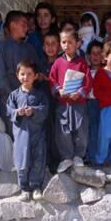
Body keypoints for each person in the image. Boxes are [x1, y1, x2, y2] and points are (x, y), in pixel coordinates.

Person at [49, 29, 93, 173]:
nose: (66, 45)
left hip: (78, 103)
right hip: (63, 103)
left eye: (70, 42)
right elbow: (52, 79)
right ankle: (66, 157)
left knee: (81, 129)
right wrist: (58, 90)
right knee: (63, 130)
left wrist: (79, 93)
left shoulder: (81, 63)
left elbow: (87, 81)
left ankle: (79, 156)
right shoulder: (57, 62)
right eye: (63, 42)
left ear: (77, 44)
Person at [6, 60, 49, 201]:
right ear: (17, 76)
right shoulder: (13, 95)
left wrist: (33, 111)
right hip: (21, 136)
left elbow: (44, 110)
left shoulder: (40, 95)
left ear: (35, 76)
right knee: (21, 161)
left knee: (38, 159)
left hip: (37, 134)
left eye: (29, 74)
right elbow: (8, 111)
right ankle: (24, 188)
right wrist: (18, 112)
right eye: (22, 74)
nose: (26, 77)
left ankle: (36, 186)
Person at [0, 11, 39, 136]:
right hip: (9, 100)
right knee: (12, 135)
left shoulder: (30, 49)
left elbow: (36, 73)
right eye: (23, 24)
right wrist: (13, 96)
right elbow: (0, 76)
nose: (27, 27)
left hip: (28, 100)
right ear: (13, 25)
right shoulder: (1, 46)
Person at [38, 31, 62, 173]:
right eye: (47, 44)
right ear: (43, 47)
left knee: (58, 133)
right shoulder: (39, 63)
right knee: (45, 132)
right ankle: (46, 161)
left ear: (59, 46)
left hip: (58, 103)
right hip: (43, 103)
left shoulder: (62, 63)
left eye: (54, 44)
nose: (50, 47)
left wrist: (51, 80)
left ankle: (58, 161)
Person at [85, 40, 104, 164]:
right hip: (89, 103)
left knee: (102, 130)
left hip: (103, 104)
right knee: (90, 129)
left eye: (99, 53)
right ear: (88, 56)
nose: (96, 56)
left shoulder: (106, 72)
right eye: (93, 53)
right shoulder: (85, 71)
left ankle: (101, 157)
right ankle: (90, 156)